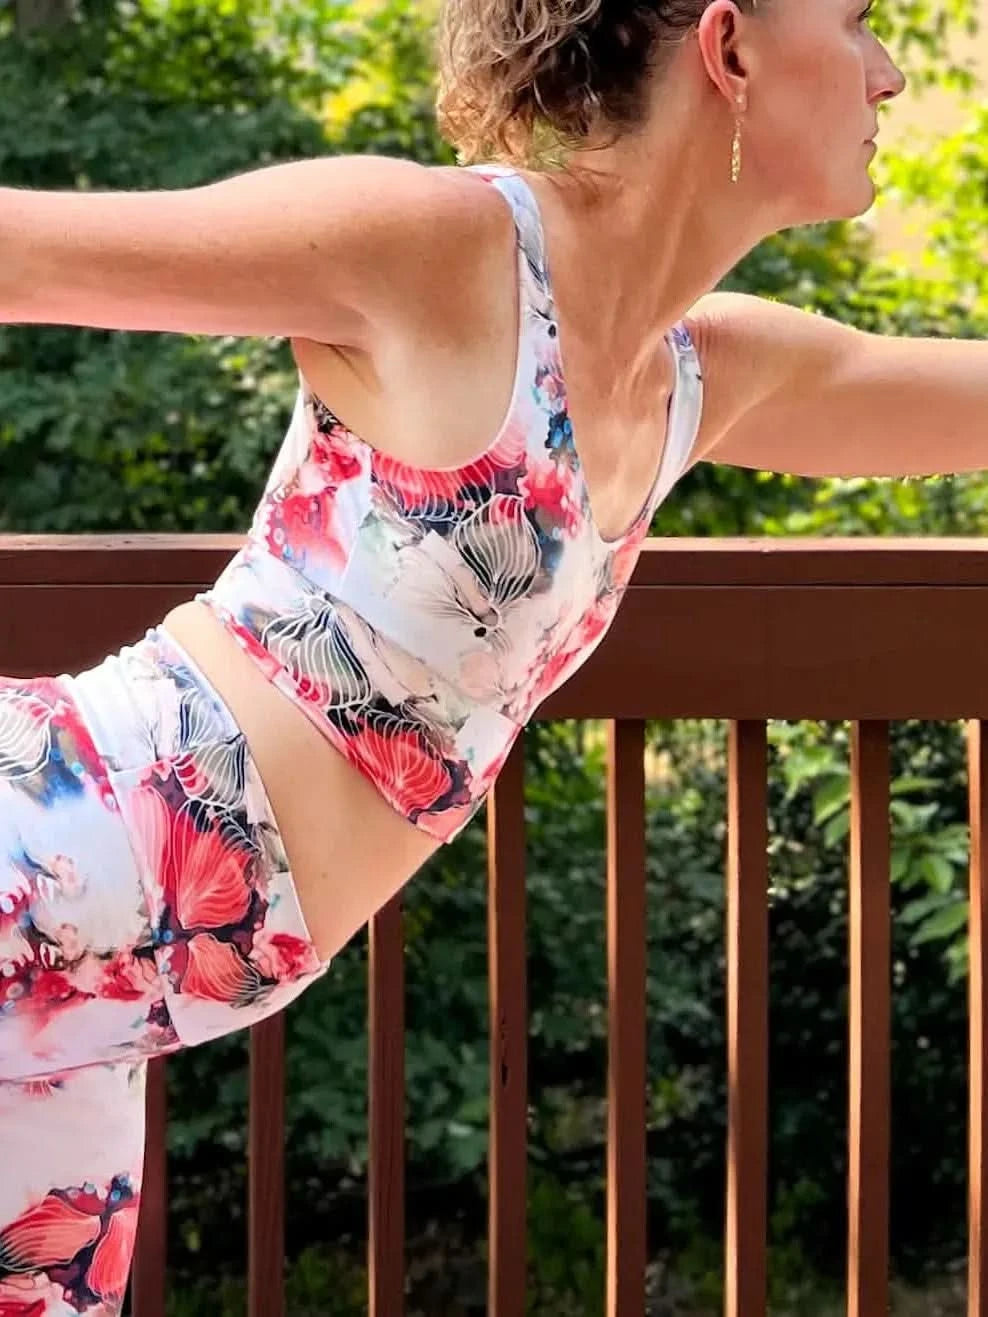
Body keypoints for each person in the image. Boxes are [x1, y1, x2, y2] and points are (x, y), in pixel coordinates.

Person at [6, 0, 982, 1306]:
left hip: (108, 1010)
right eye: (860, 22)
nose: (892, 71)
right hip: (51, 846)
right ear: (731, 48)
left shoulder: (698, 376)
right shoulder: (443, 249)